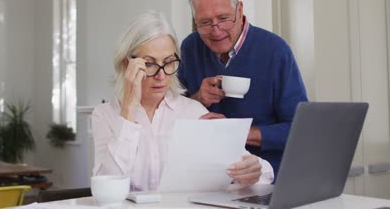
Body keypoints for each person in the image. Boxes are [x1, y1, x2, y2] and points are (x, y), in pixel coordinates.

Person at [92, 10, 274, 192]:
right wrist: (129, 109)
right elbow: (105, 188)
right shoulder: (105, 115)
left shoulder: (194, 112)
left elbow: (263, 173)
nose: (161, 75)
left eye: (169, 62)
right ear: (127, 65)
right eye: (149, 64)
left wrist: (253, 170)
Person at [178, 0, 308, 176]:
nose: (216, 30)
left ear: (239, 9)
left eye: (223, 18)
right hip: (205, 177)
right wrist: (197, 98)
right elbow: (170, 114)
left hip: (265, 180)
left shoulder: (275, 51)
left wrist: (240, 134)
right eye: (204, 23)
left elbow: (301, 130)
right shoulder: (190, 47)